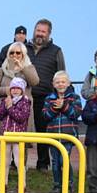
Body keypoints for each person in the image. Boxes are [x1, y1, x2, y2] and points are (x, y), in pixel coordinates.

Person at [26, 19, 66, 171]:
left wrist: (59, 95)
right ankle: (16, 163)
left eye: (43, 31)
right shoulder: (24, 48)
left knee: (43, 131)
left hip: (45, 97)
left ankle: (43, 163)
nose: (40, 34)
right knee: (21, 131)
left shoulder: (56, 51)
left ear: (49, 34)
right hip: (26, 96)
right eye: (38, 30)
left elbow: (61, 73)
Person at [43, 71, 82, 193]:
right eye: (58, 82)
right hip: (53, 136)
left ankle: (68, 185)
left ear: (68, 83)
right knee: (55, 162)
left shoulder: (74, 97)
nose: (60, 84)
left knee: (63, 160)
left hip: (67, 136)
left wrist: (64, 106)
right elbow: (45, 116)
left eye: (63, 82)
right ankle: (57, 186)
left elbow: (75, 113)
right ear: (53, 84)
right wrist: (55, 108)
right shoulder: (49, 98)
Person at [0, 77, 32, 193]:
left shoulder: (25, 101)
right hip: (6, 135)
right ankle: (3, 184)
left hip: (18, 136)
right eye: (13, 88)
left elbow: (21, 117)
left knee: (18, 162)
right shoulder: (6, 100)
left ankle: (22, 185)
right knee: (4, 161)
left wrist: (10, 107)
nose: (15, 91)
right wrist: (6, 106)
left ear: (22, 90)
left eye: (18, 88)